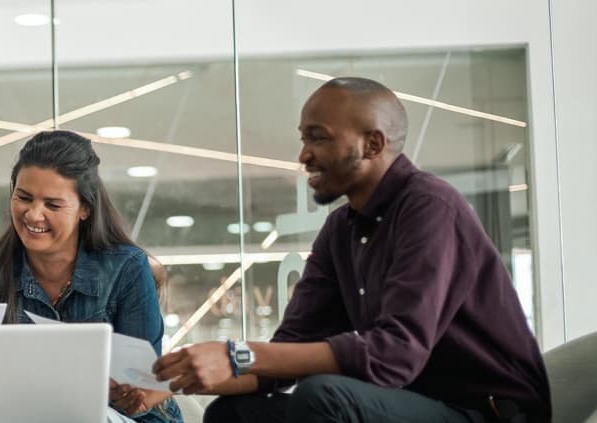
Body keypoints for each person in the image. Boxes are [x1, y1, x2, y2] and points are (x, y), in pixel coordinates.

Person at [152, 77, 551, 423]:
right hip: (411, 402)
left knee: (325, 399)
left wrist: (241, 355)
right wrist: (180, 379)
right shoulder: (341, 229)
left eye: (318, 137)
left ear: (372, 144)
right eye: (303, 138)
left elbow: (394, 354)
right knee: (232, 414)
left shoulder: (430, 206)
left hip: (485, 411)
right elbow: (289, 348)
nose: (303, 155)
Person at [0, 130, 183, 423]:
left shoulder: (126, 268)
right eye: (23, 198)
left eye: (52, 205)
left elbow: (141, 386)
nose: (33, 215)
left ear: (84, 209)